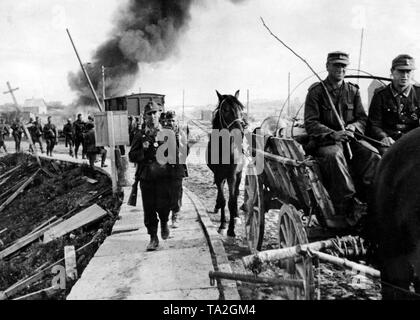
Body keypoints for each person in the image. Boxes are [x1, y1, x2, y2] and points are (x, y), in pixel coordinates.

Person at [304, 51, 381, 224]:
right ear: (327, 67)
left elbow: (362, 118)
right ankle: (349, 205)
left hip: (350, 139)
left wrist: (353, 127)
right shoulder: (316, 92)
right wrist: (333, 134)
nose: (340, 69)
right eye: (336, 65)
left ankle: (372, 200)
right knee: (335, 156)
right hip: (325, 142)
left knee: (373, 155)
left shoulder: (352, 91)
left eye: (343, 66)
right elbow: (311, 122)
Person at [129, 101, 174, 251]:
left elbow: (175, 155)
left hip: (163, 177)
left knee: (164, 205)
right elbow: (132, 156)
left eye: (155, 113)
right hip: (147, 177)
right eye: (149, 114)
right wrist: (143, 151)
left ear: (159, 114)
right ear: (144, 116)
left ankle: (164, 223)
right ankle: (153, 237)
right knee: (149, 208)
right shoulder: (139, 135)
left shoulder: (167, 133)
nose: (153, 116)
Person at [367, 54, 420, 155]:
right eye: (400, 71)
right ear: (392, 71)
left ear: (413, 73)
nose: (404, 76)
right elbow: (374, 124)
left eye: (408, 71)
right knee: (388, 158)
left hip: (413, 141)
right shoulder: (380, 95)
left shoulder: (419, 94)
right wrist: (383, 137)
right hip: (389, 142)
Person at [163, 111, 189, 228]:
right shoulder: (162, 133)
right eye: (169, 121)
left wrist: (179, 142)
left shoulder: (181, 134)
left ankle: (176, 215)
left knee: (177, 192)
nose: (171, 123)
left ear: (176, 121)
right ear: (165, 121)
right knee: (166, 192)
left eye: (173, 120)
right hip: (165, 168)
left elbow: (186, 152)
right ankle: (167, 215)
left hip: (178, 168)